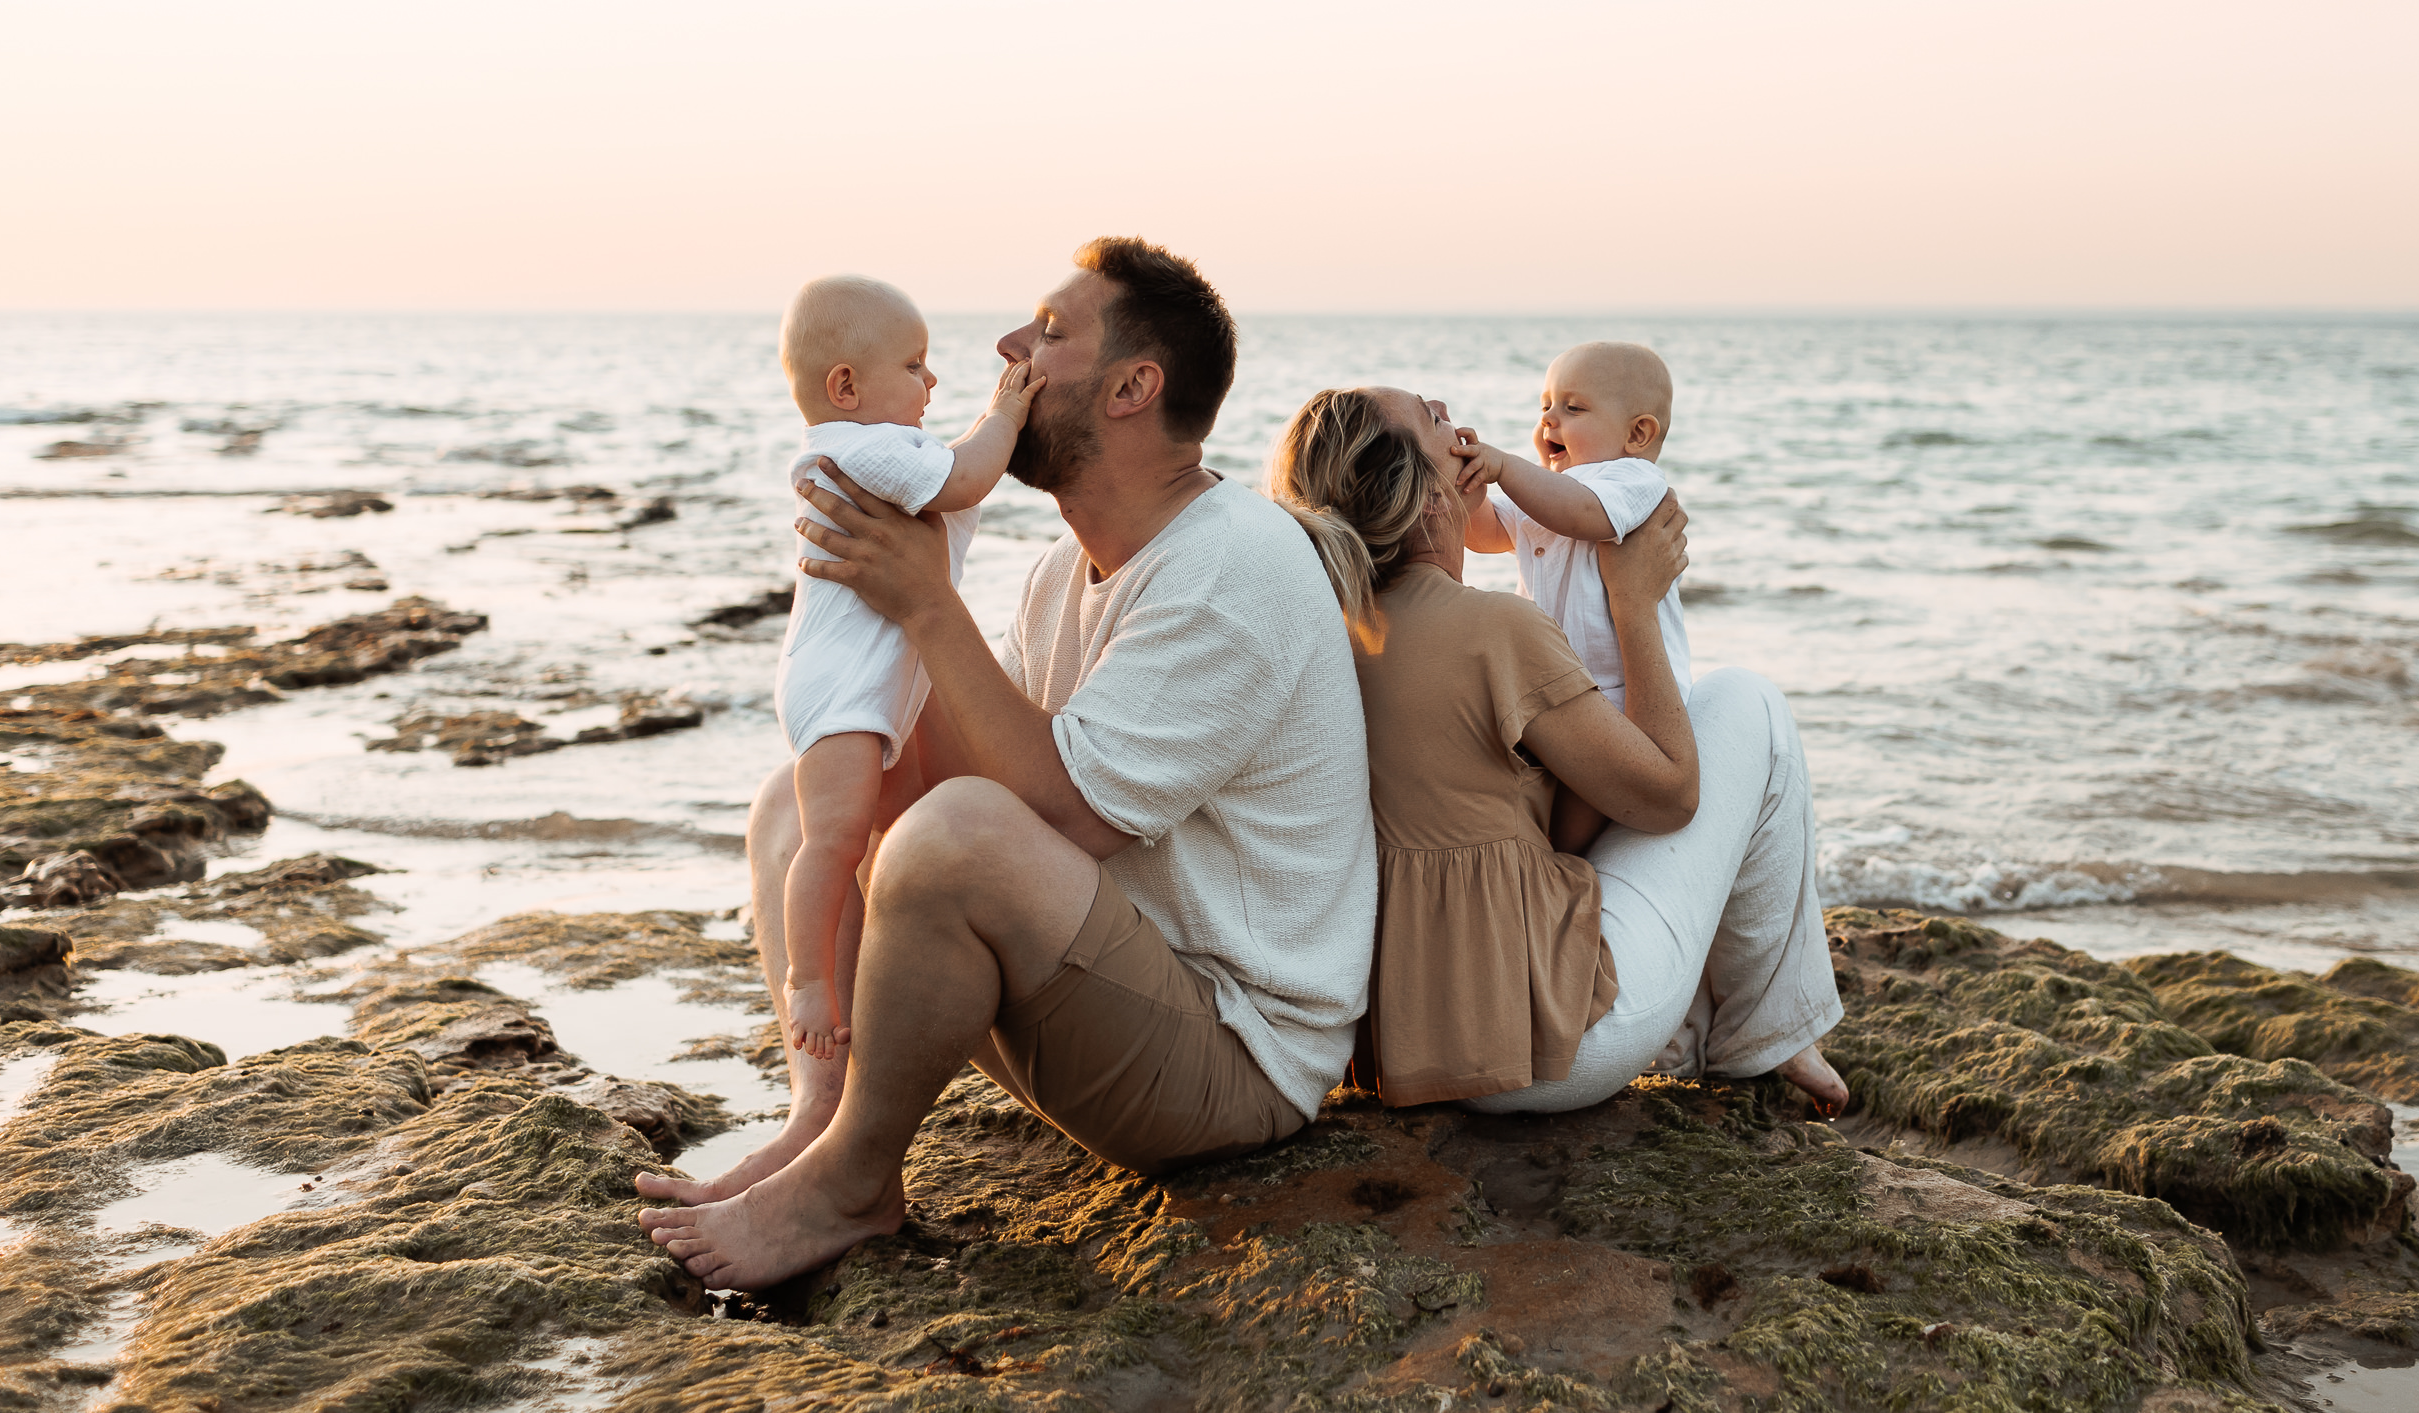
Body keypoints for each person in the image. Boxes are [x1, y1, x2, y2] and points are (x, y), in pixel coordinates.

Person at [636, 238, 1374, 1289]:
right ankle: (824, 1118)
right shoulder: (1055, 575)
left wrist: (928, 601)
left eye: (1050, 331)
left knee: (954, 838)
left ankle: (853, 1184)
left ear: (1132, 387)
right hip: (1096, 983)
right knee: (805, 805)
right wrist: (861, 640)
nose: (1008, 347)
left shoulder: (1229, 565)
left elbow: (1058, 818)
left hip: (1228, 1057)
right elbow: (974, 757)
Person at [1271, 384, 1846, 1115]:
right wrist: (1633, 604)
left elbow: (1546, 829)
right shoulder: (1491, 628)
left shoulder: (1328, 631)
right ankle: (1764, 1037)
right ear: (1428, 501)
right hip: (1545, 1042)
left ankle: (1693, 1035)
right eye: (1433, 417)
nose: (1451, 410)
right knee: (1743, 701)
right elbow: (1670, 796)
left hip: (1405, 1042)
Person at [768, 274, 1044, 1061]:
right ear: (847, 386)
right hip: (845, 692)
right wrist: (1007, 412)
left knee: (883, 832)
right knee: (834, 838)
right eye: (915, 366)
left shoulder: (867, 446)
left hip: (856, 683)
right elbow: (962, 476)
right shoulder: (858, 444)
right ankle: (808, 979)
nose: (932, 381)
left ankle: (882, 968)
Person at [1451, 340, 1692, 853]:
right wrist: (1468, 494)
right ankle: (1551, 858)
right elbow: (1487, 534)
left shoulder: (1630, 479)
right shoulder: (1549, 488)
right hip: (1558, 689)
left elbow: (1584, 514)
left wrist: (1507, 468)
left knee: (1581, 812)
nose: (1549, 422)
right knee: (1544, 791)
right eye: (1545, 407)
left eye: (1573, 408)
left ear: (1638, 434)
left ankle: (1570, 864)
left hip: (1623, 693)